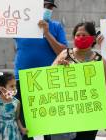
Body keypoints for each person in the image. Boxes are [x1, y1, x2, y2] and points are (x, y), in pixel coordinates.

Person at [14, 0, 68, 139]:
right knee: (24, 122)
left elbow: (63, 52)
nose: (47, 9)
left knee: (49, 124)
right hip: (22, 79)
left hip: (48, 80)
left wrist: (47, 33)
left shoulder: (56, 27)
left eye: (50, 7)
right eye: (44, 5)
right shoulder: (21, 26)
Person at [52, 21, 106, 140]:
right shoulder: (64, 55)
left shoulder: (100, 61)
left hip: (89, 118)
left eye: (84, 35)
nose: (80, 38)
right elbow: (48, 79)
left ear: (93, 38)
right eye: (77, 35)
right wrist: (59, 68)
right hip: (67, 115)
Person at [0, 72, 27, 140]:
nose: (14, 88)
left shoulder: (17, 102)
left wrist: (21, 128)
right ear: (2, 89)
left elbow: (16, 118)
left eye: (15, 85)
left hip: (13, 134)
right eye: (11, 86)